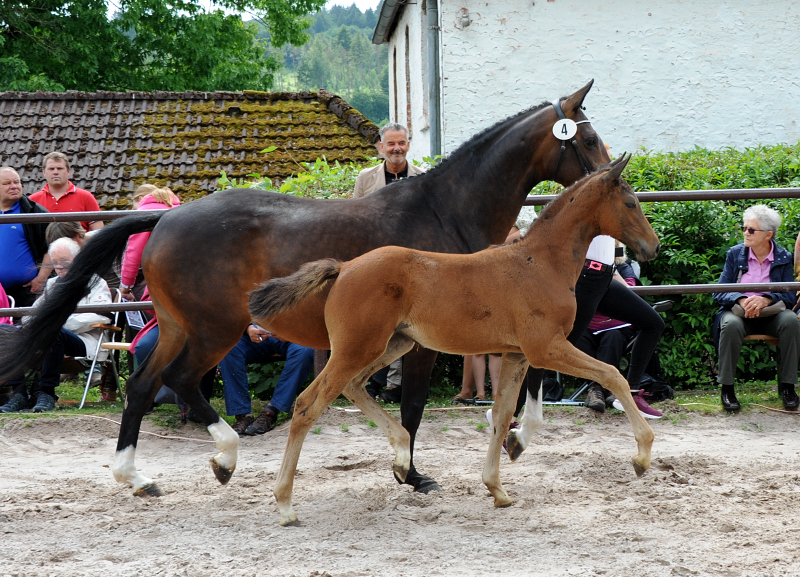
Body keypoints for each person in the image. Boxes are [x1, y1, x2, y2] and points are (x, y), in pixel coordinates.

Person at [353, 123, 425, 403]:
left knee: (405, 323)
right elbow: (355, 220)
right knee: (372, 323)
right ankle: (369, 381)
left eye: (402, 143)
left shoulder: (422, 177)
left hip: (409, 265)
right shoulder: (365, 178)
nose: (397, 148)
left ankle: (395, 385)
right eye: (391, 144)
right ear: (380, 147)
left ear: (409, 144)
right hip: (373, 263)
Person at [0, 238, 111, 413]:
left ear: (78, 259)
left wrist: (61, 321)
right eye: (55, 263)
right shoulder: (52, 284)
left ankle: (47, 393)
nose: (59, 267)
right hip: (49, 339)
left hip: (83, 341)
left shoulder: (96, 282)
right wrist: (34, 324)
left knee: (54, 330)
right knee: (4, 332)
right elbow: (34, 314)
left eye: (64, 262)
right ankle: (18, 394)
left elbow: (102, 316)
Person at [713, 205, 800, 411]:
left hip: (771, 316)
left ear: (768, 235)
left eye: (751, 230)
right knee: (731, 324)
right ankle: (727, 389)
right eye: (744, 228)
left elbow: (789, 295)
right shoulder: (735, 254)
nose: (745, 233)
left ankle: (788, 387)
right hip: (739, 314)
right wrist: (742, 299)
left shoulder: (784, 257)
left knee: (790, 321)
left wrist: (766, 299)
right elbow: (719, 291)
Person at [576, 245, 641, 414]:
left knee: (612, 337)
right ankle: (601, 387)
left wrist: (610, 270)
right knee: (577, 336)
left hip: (615, 324)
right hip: (587, 323)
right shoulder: (579, 266)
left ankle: (598, 389)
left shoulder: (623, 266)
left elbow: (630, 294)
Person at [219, 323, 315, 436]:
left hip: (293, 336)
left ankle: (271, 412)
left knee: (305, 351)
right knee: (229, 348)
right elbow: (238, 312)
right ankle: (242, 415)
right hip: (256, 337)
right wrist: (248, 328)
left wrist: (292, 330)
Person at [0, 167, 52, 307]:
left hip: (25, 292)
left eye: (16, 182)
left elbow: (52, 248)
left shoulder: (35, 212)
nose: (14, 187)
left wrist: (41, 278)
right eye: (7, 183)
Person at [119, 186, 179, 302]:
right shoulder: (178, 208)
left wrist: (126, 287)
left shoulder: (143, 214)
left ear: (141, 198)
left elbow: (133, 254)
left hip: (160, 275)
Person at [29, 152, 103, 232]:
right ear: (44, 172)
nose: (55, 172)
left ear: (68, 171)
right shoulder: (32, 201)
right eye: (51, 169)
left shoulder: (86, 197)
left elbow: (98, 233)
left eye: (60, 168)